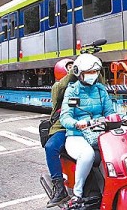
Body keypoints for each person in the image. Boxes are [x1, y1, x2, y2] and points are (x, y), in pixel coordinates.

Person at [60, 54, 115, 208]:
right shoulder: (72, 91)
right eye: (89, 72)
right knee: (87, 154)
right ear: (79, 72)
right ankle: (77, 194)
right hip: (76, 136)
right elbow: (65, 117)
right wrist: (77, 124)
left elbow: (109, 112)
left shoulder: (100, 89)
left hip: (99, 133)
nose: (93, 75)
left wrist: (119, 118)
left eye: (95, 72)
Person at [45, 58, 75, 208]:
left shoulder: (83, 85)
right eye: (69, 67)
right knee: (51, 147)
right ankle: (59, 187)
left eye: (73, 67)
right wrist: (75, 70)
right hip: (62, 127)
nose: (72, 69)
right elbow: (63, 85)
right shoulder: (57, 87)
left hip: (83, 125)